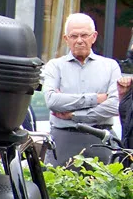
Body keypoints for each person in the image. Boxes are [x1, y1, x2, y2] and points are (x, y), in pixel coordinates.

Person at [42, 13, 121, 165]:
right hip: (63, 141)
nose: (79, 40)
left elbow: (114, 105)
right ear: (66, 39)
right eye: (74, 36)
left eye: (84, 35)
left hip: (101, 141)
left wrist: (74, 115)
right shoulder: (55, 66)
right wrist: (96, 99)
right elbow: (52, 101)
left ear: (94, 37)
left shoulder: (110, 66)